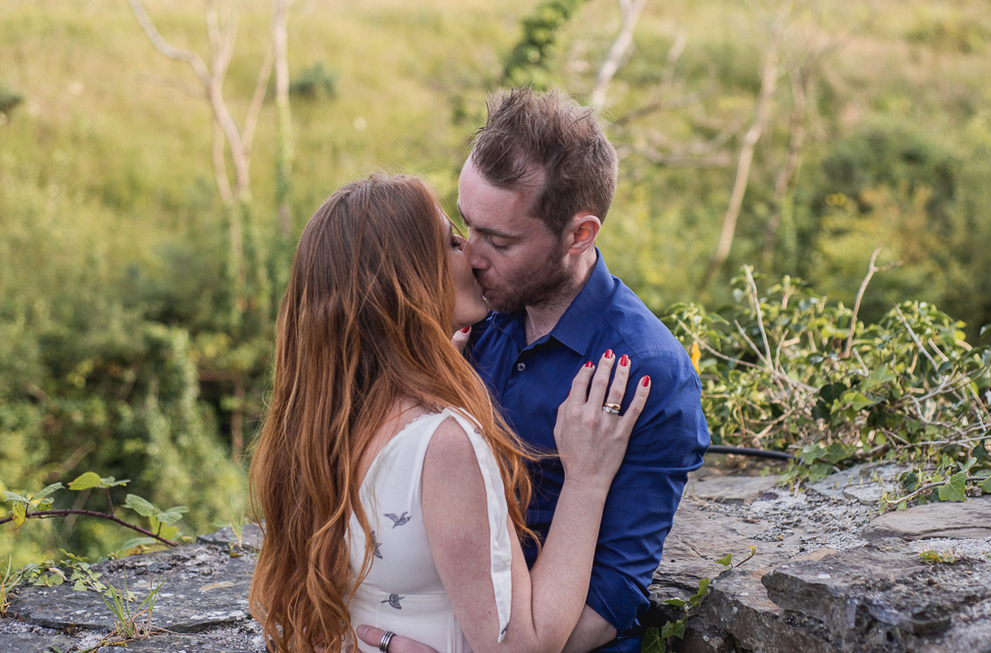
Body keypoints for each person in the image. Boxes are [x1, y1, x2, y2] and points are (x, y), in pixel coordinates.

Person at [363, 89, 710, 653]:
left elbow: (606, 605)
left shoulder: (647, 375)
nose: (471, 257)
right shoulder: (466, 318)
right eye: (467, 226)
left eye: (499, 241)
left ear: (579, 235)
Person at [248, 173, 650, 653]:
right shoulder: (445, 445)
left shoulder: (318, 424)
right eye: (454, 242)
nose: (474, 255)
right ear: (410, 279)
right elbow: (523, 647)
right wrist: (586, 480)